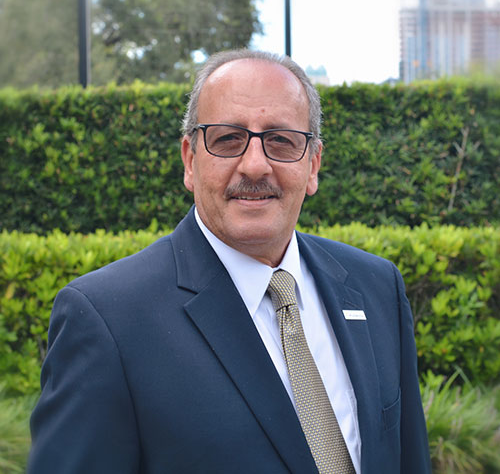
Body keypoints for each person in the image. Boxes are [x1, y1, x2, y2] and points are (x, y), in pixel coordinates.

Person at [28, 49, 431, 474]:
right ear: (189, 160)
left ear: (313, 165)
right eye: (227, 139)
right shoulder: (107, 319)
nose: (255, 165)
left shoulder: (376, 286)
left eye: (280, 140)